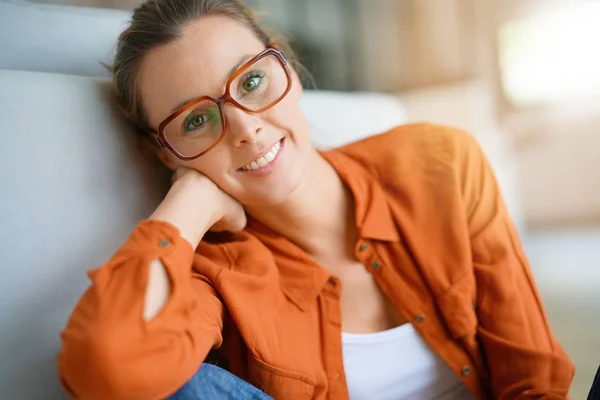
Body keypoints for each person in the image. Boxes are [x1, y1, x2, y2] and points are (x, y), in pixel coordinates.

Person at [57, 0, 575, 399]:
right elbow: (108, 368)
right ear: (167, 154)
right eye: (196, 120)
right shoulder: (213, 274)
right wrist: (188, 205)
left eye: (253, 80)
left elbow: (533, 378)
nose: (245, 127)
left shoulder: (440, 161)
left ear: (288, 70)